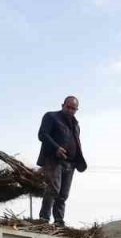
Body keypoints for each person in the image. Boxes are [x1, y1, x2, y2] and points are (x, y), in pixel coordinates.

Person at [36, 96, 87, 227]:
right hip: (54, 160)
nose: (70, 110)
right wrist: (56, 148)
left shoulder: (76, 124)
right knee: (54, 189)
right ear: (62, 105)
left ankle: (59, 220)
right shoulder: (51, 117)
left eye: (73, 108)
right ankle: (44, 218)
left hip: (71, 163)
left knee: (63, 194)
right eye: (68, 107)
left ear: (77, 109)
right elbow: (42, 134)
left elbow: (76, 141)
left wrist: (77, 159)